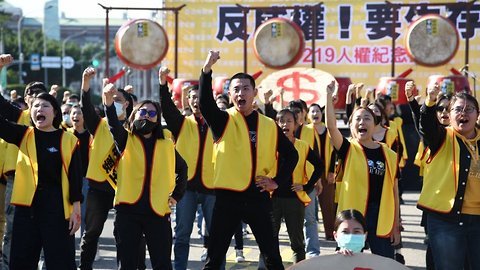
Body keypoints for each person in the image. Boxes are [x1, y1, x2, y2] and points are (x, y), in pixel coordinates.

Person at [199, 50, 298, 270]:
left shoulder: (269, 124)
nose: (240, 93)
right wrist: (206, 70)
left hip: (258, 196)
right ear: (230, 94)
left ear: (254, 93)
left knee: (272, 256)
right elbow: (205, 104)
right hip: (227, 198)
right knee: (214, 258)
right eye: (235, 89)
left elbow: (292, 155)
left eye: (245, 88)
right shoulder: (223, 120)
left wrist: (276, 181)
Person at [102, 82, 187, 269]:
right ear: (134, 115)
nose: (146, 116)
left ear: (157, 120)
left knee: (162, 263)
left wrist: (176, 196)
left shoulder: (166, 143)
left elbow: (182, 168)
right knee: (128, 263)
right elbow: (113, 124)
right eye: (142, 112)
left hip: (157, 212)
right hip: (128, 211)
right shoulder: (125, 139)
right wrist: (108, 102)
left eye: (151, 113)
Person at [0, 92, 82, 269]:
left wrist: (76, 209)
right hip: (26, 208)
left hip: (57, 207)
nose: (39, 109)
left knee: (60, 260)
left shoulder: (68, 139)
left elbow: (75, 178)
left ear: (55, 112)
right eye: (36, 106)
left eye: (45, 106)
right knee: (22, 260)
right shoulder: (24, 134)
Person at [325, 80, 400, 259]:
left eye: (367, 118)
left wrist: (396, 224)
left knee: (383, 261)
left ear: (375, 125)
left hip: (380, 215)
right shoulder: (348, 148)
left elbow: (394, 190)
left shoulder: (389, 154)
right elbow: (331, 127)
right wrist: (329, 97)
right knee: (347, 260)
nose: (362, 122)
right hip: (352, 216)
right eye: (357, 119)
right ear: (351, 127)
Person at [157, 67, 216, 270]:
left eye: (200, 97)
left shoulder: (218, 123)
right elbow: (166, 108)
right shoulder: (182, 123)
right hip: (186, 189)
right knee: (182, 234)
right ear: (188, 101)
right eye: (192, 97)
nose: (196, 101)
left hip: (212, 188)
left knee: (216, 236)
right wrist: (163, 84)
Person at [418, 85, 480, 270]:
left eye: (469, 109)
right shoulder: (440, 136)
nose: (463, 113)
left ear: (477, 115)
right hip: (445, 219)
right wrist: (429, 102)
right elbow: (427, 124)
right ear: (449, 115)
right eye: (458, 109)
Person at [79, 67, 132, 269]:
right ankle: (85, 266)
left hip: (124, 189)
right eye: (110, 97)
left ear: (126, 104)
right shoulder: (99, 124)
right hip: (98, 187)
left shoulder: (134, 129)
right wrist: (86, 83)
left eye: (117, 99)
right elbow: (85, 107)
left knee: (124, 235)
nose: (113, 101)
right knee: (91, 232)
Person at [0, 55, 48, 270]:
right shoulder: (17, 115)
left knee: (43, 227)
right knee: (12, 229)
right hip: (16, 179)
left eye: (41, 93)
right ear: (25, 98)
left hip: (46, 183)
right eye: (32, 94)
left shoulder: (54, 121)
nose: (36, 97)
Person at [271, 108, 323, 263]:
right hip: (272, 198)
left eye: (289, 121)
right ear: (276, 123)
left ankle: (298, 266)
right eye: (281, 121)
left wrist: (306, 186)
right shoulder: (269, 144)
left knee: (297, 242)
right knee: (268, 239)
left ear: (296, 125)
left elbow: (319, 166)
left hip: (294, 200)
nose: (284, 124)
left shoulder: (303, 146)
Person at [288, 99, 321, 258]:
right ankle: (296, 249)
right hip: (288, 185)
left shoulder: (310, 130)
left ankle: (313, 251)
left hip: (306, 183)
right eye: (291, 112)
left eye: (297, 113)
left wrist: (317, 180)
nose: (294, 116)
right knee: (290, 221)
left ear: (302, 116)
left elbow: (317, 157)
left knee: (310, 219)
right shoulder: (283, 132)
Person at [306, 103, 337, 241]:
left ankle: (330, 233)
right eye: (312, 111)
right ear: (308, 114)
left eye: (317, 111)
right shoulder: (305, 130)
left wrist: (331, 171)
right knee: (309, 208)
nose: (315, 114)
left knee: (328, 205)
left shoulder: (329, 130)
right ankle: (309, 237)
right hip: (310, 173)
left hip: (326, 174)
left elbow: (335, 151)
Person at [67, 104, 91, 237]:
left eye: (79, 113)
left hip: (86, 179)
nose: (75, 116)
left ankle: (87, 246)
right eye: (73, 113)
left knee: (85, 213)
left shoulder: (91, 135)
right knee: (68, 211)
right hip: (68, 179)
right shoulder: (66, 134)